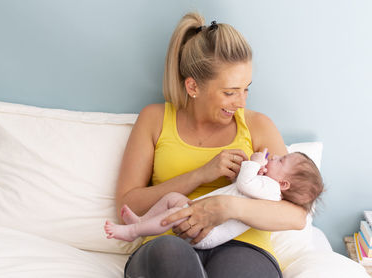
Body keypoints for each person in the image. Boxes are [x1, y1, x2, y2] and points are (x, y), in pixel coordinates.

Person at [116, 12, 309, 278]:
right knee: (169, 255)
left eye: (246, 89)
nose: (241, 102)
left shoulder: (258, 125)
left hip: (244, 247)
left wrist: (226, 208)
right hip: (168, 241)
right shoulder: (155, 119)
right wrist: (200, 175)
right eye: (230, 92)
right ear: (193, 86)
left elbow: (296, 216)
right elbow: (128, 205)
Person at [105, 150, 323, 249]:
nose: (274, 156)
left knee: (174, 212)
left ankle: (133, 232)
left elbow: (245, 185)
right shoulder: (267, 186)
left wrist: (254, 163)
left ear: (284, 184)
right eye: (230, 91)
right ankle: (141, 222)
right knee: (172, 199)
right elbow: (244, 186)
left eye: (281, 160)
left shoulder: (271, 189)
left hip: (208, 232)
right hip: (199, 219)